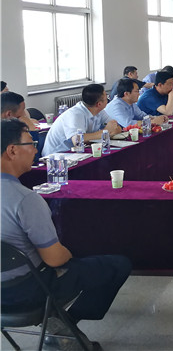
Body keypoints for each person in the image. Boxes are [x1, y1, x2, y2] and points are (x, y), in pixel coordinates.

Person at [1, 118, 132, 351]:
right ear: (12, 151)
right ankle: (65, 323)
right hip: (25, 291)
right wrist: (68, 253)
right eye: (31, 143)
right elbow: (55, 259)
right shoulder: (25, 199)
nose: (36, 150)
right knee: (117, 265)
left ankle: (60, 324)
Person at [42, 85, 121, 157]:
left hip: (77, 153)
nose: (108, 100)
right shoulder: (75, 114)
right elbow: (77, 141)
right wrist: (105, 132)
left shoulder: (99, 111)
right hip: (56, 156)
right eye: (106, 98)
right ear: (99, 104)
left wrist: (108, 132)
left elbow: (116, 126)